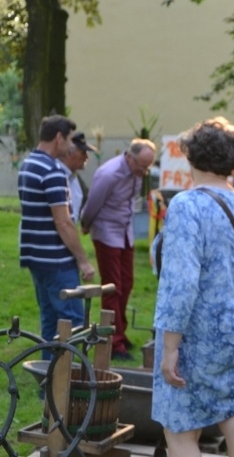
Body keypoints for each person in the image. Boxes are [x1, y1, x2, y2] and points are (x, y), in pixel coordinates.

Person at [151, 117, 234, 456]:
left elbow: (180, 284)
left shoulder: (187, 205)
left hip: (196, 337)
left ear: (190, 156)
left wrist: (170, 348)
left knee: (181, 433)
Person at [18, 115, 96, 360]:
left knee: (49, 321)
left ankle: (48, 385)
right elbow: (63, 222)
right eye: (70, 140)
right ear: (59, 138)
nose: (72, 146)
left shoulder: (28, 164)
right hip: (56, 259)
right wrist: (83, 260)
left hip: (34, 256)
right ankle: (66, 386)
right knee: (71, 322)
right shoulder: (52, 171)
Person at [81, 137, 156, 361]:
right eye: (142, 166)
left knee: (127, 282)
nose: (145, 171)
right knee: (112, 288)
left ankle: (119, 331)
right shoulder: (109, 174)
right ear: (129, 157)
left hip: (124, 233)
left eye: (148, 166)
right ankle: (112, 342)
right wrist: (86, 224)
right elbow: (92, 203)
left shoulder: (135, 172)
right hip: (106, 233)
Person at [57, 131, 98, 223]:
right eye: (83, 152)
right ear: (69, 153)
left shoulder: (73, 178)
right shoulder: (55, 176)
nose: (87, 157)